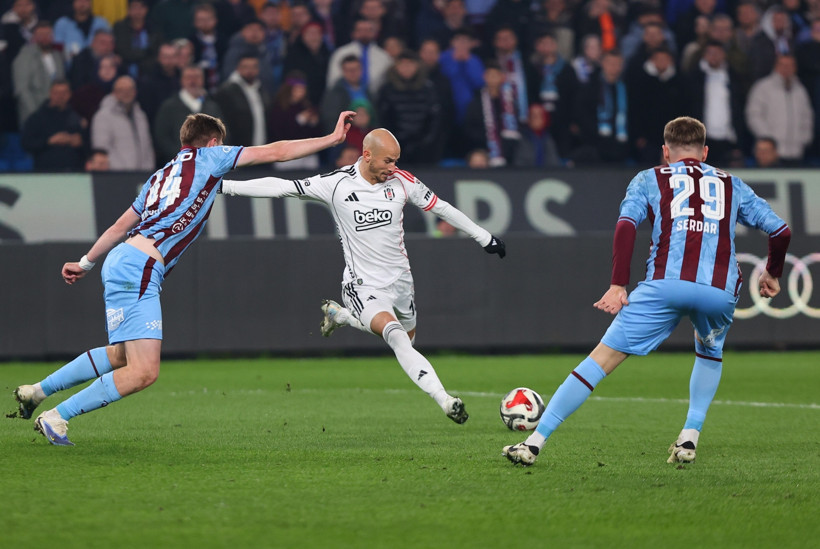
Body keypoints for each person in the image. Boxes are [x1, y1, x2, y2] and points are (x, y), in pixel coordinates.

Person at [13, 109, 356, 446]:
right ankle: (58, 415)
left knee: (120, 355)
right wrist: (332, 138)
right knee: (144, 371)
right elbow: (277, 151)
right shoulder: (209, 158)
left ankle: (36, 392)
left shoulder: (159, 177)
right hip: (141, 267)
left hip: (120, 260)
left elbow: (120, 226)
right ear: (213, 142)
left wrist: (85, 262)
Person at [503, 116, 791, 466]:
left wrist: (618, 284)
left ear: (666, 151)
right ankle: (689, 436)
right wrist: (772, 273)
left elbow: (626, 227)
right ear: (705, 151)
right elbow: (780, 232)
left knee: (601, 360)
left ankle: (534, 443)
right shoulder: (733, 184)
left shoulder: (650, 178)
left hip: (663, 286)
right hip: (718, 290)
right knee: (709, 353)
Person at [220, 128, 506, 423]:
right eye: (388, 161)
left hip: (401, 282)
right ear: (367, 155)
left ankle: (342, 317)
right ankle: (446, 400)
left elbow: (441, 207)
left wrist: (483, 237)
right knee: (397, 338)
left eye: (396, 161)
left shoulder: (402, 182)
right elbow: (281, 186)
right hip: (362, 285)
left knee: (408, 338)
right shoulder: (336, 184)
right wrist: (224, 187)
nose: (393, 168)